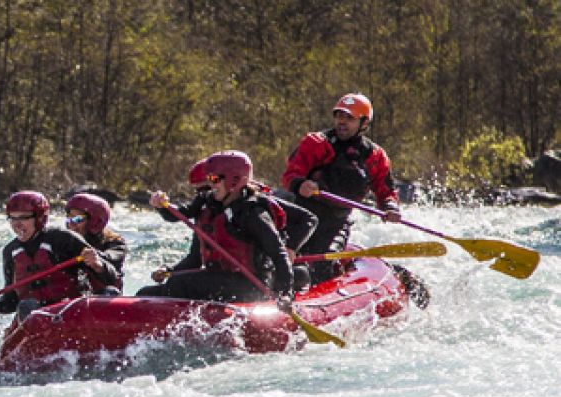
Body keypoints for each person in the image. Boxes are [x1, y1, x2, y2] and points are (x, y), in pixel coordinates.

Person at [136, 150, 294, 303]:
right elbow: (178, 216)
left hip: (251, 286)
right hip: (221, 280)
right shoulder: (210, 206)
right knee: (145, 293)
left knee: (179, 284)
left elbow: (279, 254)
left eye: (214, 179)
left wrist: (286, 294)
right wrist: (161, 205)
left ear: (234, 179)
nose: (211, 185)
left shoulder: (253, 214)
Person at [280, 93, 401, 283]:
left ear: (363, 123)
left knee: (322, 268)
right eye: (339, 116)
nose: (342, 122)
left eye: (349, 118)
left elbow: (385, 190)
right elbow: (290, 175)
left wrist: (389, 207)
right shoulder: (316, 143)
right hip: (302, 218)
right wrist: (300, 184)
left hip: (336, 223)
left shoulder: (374, 156)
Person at [0, 191, 113, 318]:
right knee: (26, 305)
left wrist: (98, 265)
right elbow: (11, 302)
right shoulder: (10, 252)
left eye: (24, 218)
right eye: (13, 218)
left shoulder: (63, 238)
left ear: (39, 218)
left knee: (110, 292)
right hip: (35, 315)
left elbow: (110, 277)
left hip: (71, 309)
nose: (17, 224)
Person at [64, 193, 127, 295]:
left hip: (104, 296)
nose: (71, 224)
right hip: (74, 297)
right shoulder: (64, 241)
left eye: (77, 219)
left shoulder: (116, 243)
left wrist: (96, 260)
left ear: (95, 221)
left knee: (110, 291)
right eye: (69, 218)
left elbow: (110, 257)